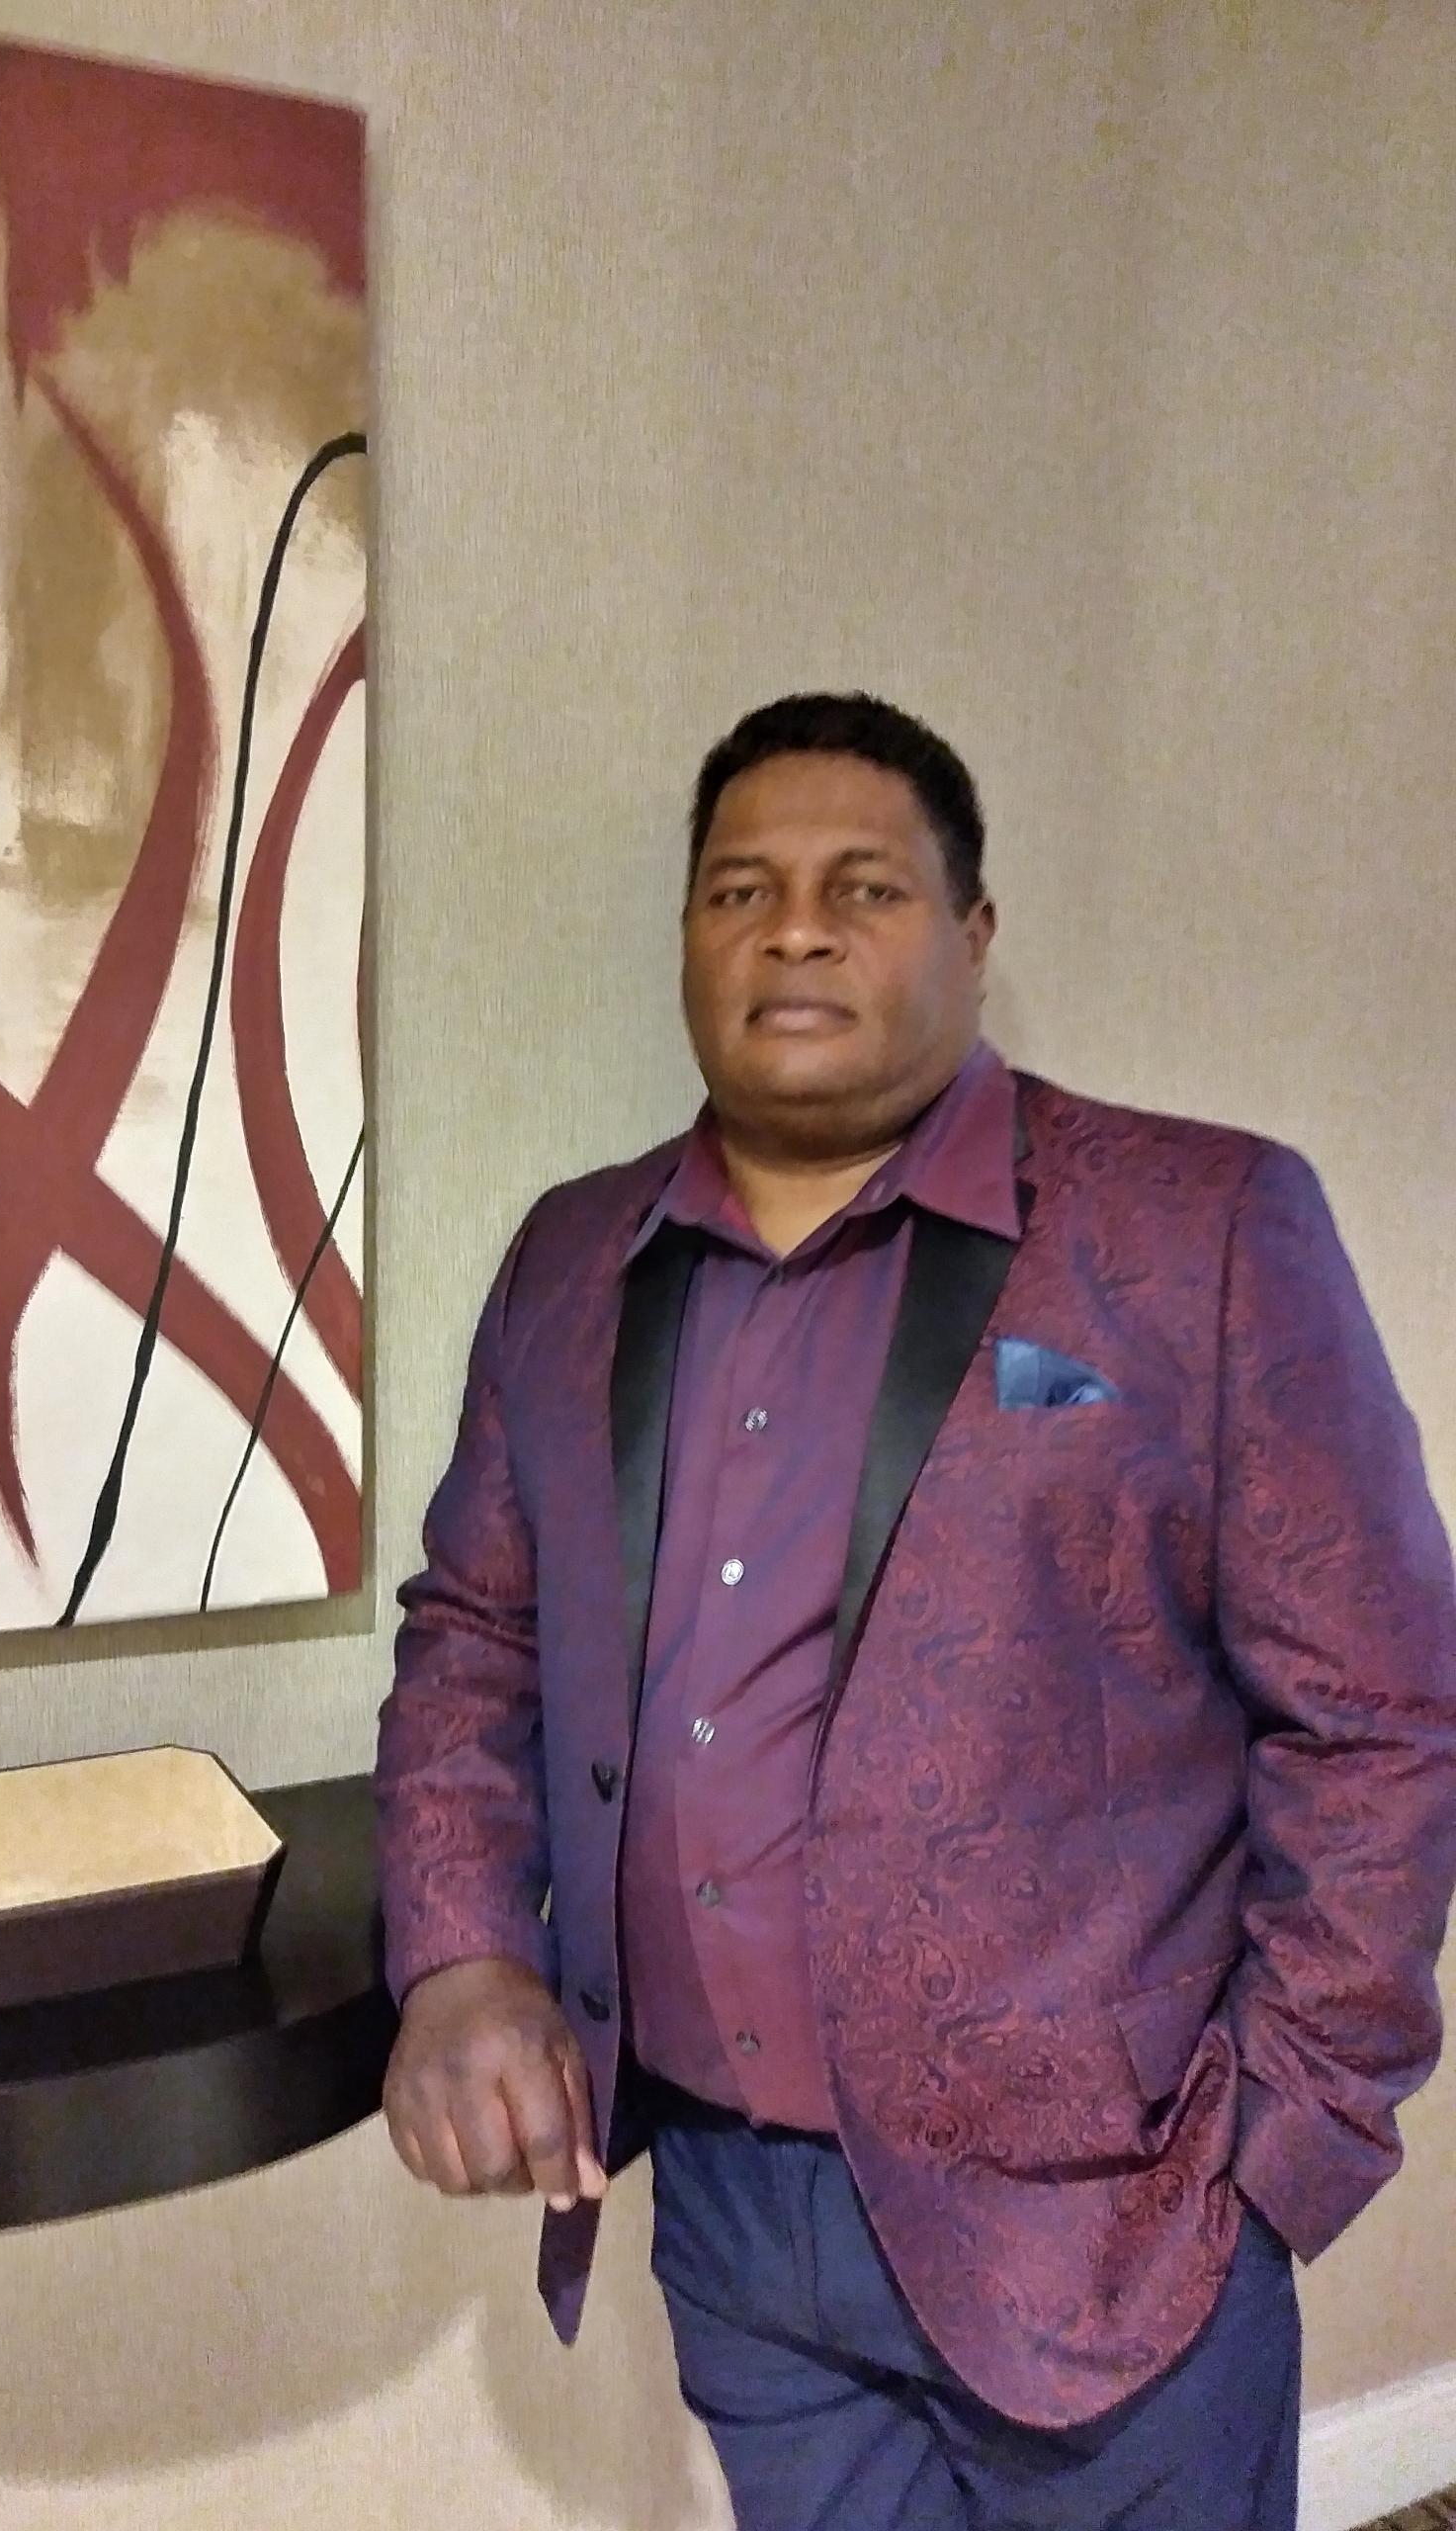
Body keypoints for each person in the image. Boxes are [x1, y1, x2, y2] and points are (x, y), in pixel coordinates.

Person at [373, 691, 1456, 2531]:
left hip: (1112, 2222)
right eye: (741, 891)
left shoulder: (1196, 1226)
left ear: (972, 935)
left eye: (863, 888)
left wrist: (1286, 2141)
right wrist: (463, 1953)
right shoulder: (570, 1257)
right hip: (732, 2220)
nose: (794, 929)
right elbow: (475, 1632)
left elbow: (1378, 1711)